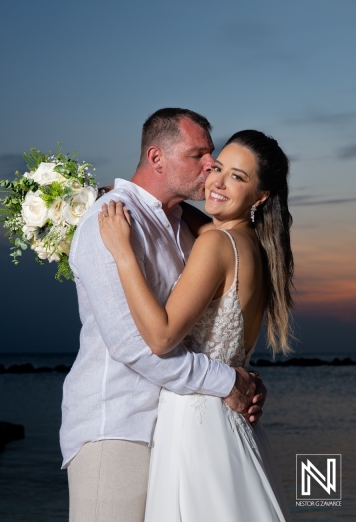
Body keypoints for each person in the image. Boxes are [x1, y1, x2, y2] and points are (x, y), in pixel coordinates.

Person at [60, 109, 266, 522]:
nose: (210, 165)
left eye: (214, 156)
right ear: (157, 159)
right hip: (117, 429)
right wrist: (229, 381)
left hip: (175, 431)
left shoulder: (185, 226)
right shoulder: (111, 222)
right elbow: (136, 347)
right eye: (199, 155)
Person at [99, 129, 293, 521]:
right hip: (231, 423)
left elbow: (162, 336)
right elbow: (206, 222)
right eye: (218, 167)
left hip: (195, 421)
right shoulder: (251, 246)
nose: (217, 181)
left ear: (261, 196)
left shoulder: (217, 245)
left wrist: (123, 254)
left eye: (237, 177)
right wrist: (149, 199)